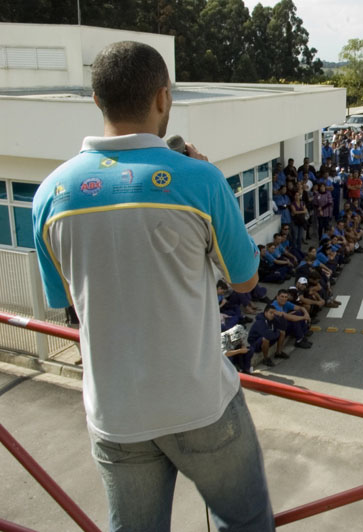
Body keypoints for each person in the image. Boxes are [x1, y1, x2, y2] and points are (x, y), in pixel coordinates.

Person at [31, 41, 274, 531]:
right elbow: (246, 278)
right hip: (200, 404)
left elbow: (67, 304)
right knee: (244, 522)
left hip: (115, 414)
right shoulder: (201, 180)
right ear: (163, 98)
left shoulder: (49, 195)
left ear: (97, 101)